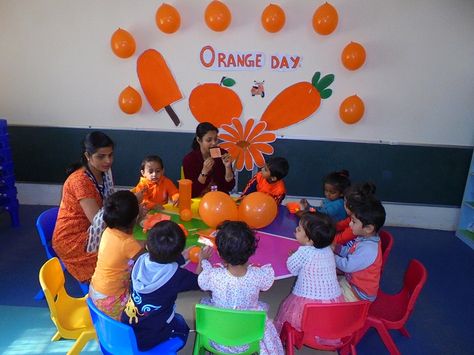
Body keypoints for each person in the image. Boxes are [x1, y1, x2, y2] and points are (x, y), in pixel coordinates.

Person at [121, 220, 212, 351]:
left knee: (174, 317)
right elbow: (201, 281)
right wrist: (202, 260)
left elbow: (160, 264)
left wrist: (181, 257)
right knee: (183, 329)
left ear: (147, 245)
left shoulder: (139, 262)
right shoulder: (176, 276)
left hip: (127, 328)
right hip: (150, 338)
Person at [198, 221, 284, 355]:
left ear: (220, 254)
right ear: (251, 251)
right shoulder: (259, 275)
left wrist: (202, 260)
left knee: (205, 304)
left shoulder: (213, 275)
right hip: (248, 338)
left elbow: (201, 279)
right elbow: (267, 284)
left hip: (216, 337)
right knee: (263, 316)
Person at [52, 131, 115, 283]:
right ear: (88, 156)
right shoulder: (80, 181)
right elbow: (98, 221)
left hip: (89, 228)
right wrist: (130, 208)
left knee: (124, 240)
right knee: (118, 253)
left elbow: (109, 205)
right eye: (101, 156)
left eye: (111, 155)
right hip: (71, 240)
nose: (108, 161)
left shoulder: (103, 172)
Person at [273, 212, 345, 334]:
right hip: (332, 303)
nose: (296, 229)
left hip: (308, 304)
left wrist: (294, 256)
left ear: (309, 240)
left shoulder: (304, 252)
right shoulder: (328, 250)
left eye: (299, 229)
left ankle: (294, 334)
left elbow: (292, 269)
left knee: (291, 313)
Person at [89, 191, 144, 319]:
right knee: (143, 310)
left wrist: (137, 218)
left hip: (97, 292)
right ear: (134, 218)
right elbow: (148, 257)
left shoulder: (108, 231)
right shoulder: (129, 244)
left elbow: (130, 244)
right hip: (111, 301)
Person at [334, 198, 386, 302]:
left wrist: (331, 256)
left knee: (328, 296)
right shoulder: (364, 238)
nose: (350, 224)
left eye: (354, 222)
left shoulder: (369, 249)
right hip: (352, 282)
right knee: (327, 281)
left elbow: (347, 266)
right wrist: (337, 248)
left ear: (368, 228)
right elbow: (351, 252)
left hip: (359, 294)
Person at [182, 122, 235, 197]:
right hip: (200, 200)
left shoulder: (222, 154)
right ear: (199, 140)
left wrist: (228, 167)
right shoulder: (189, 160)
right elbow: (192, 193)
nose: (214, 143)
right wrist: (204, 172)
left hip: (220, 199)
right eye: (209, 140)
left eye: (216, 139)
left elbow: (229, 187)